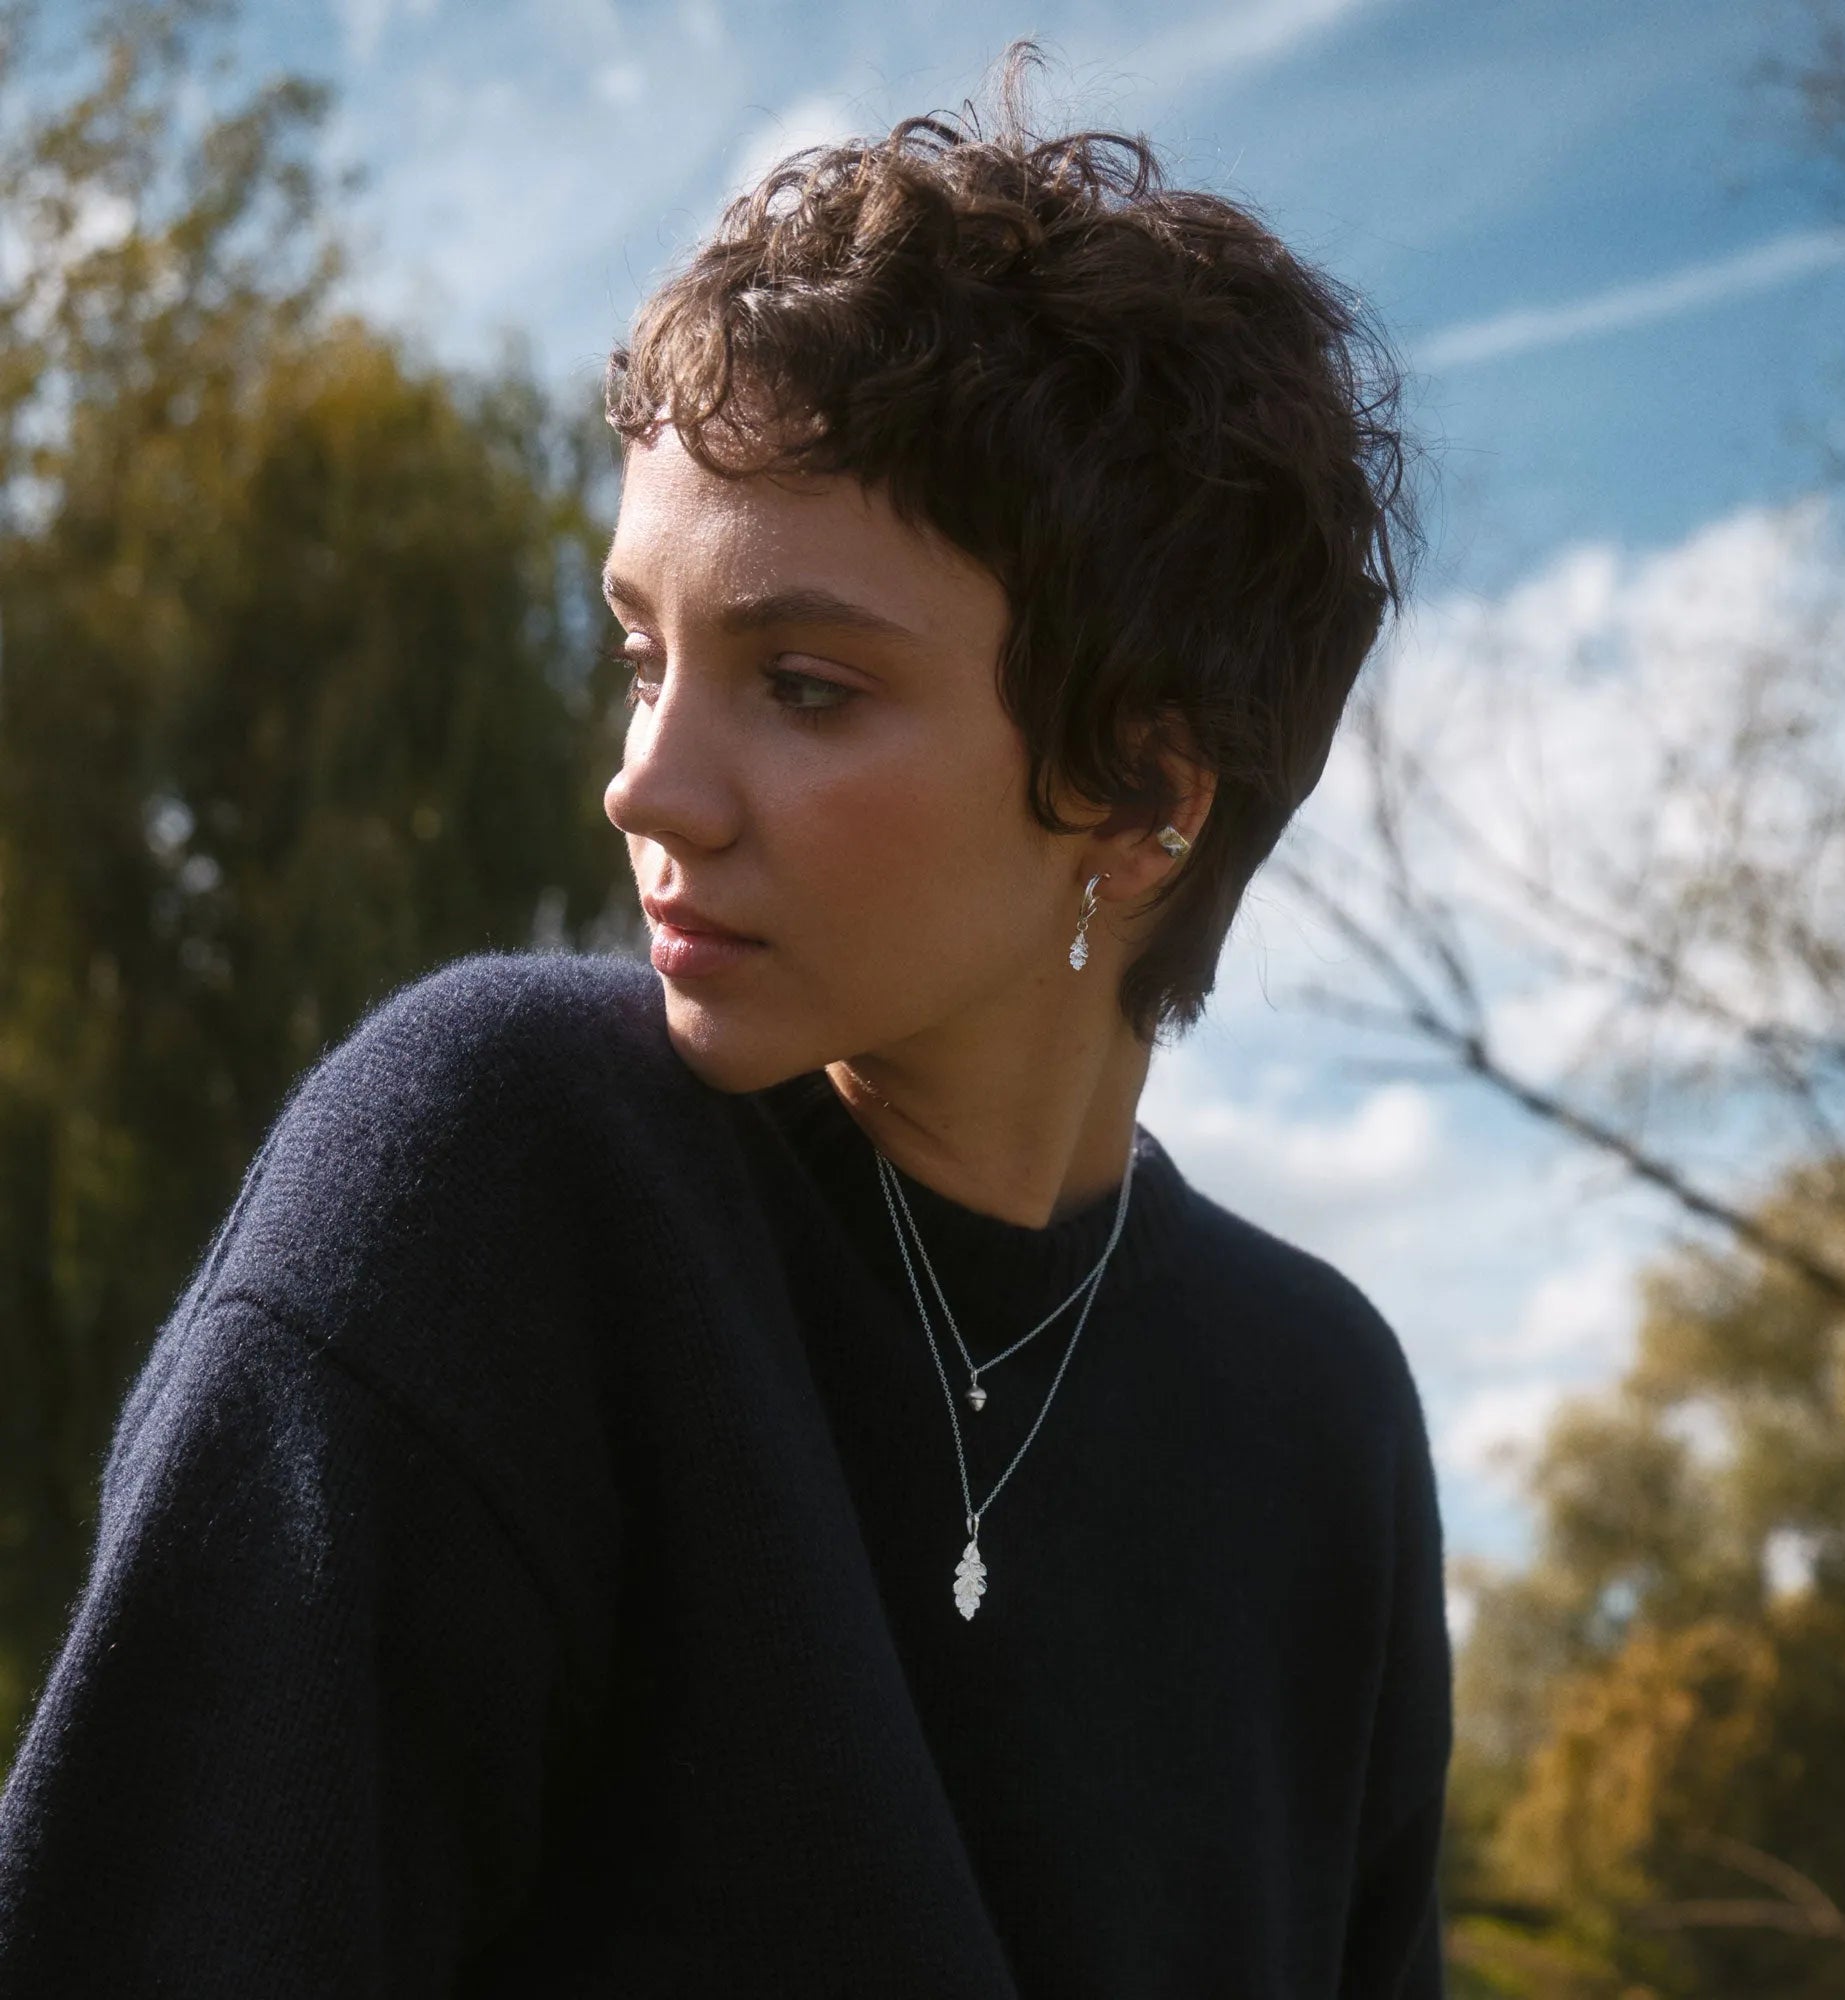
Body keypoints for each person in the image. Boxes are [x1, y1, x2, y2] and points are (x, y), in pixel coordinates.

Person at [0, 45, 1450, 1998]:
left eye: (807, 684)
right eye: (640, 651)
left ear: (1139, 793)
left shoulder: (1323, 1414)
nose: (643, 785)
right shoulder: (494, 1173)